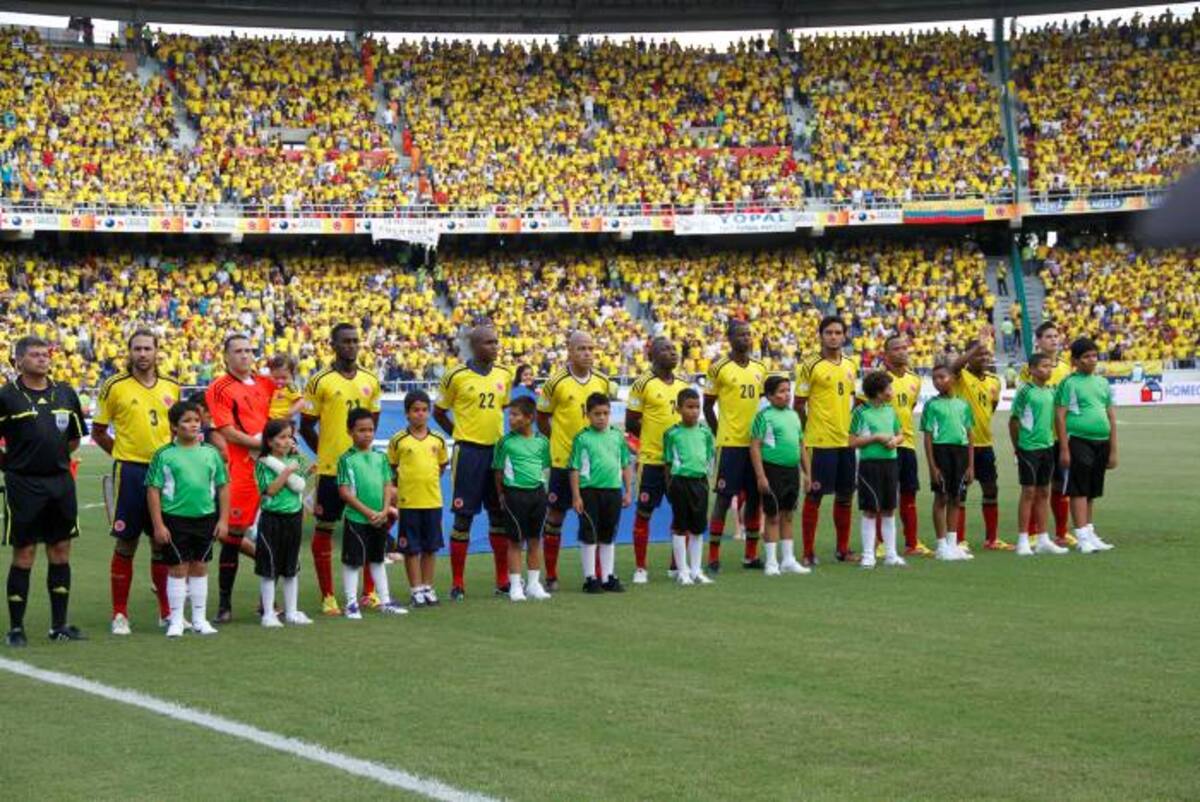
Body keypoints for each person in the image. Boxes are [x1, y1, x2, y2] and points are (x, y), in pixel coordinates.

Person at [91, 329, 181, 635]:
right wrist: (121, 456)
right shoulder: (114, 386)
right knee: (126, 541)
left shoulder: (171, 387)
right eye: (137, 349)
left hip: (166, 473)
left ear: (157, 351)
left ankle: (166, 612)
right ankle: (120, 614)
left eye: (148, 348)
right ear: (129, 352)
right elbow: (99, 431)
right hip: (130, 472)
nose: (142, 354)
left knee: (162, 540)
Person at [1, 336, 86, 647]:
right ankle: (15, 628)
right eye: (34, 355)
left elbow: (74, 439)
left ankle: (59, 626)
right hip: (23, 484)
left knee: (61, 551)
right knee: (24, 553)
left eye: (45, 354)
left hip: (60, 483)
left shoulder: (65, 393)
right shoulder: (7, 397)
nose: (42, 359)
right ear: (19, 361)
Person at [300, 323, 382, 616]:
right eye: (345, 341)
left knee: (371, 527)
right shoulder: (319, 381)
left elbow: (373, 419)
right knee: (324, 529)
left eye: (355, 341)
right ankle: (328, 596)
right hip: (332, 470)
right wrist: (324, 453)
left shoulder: (371, 380)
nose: (351, 346)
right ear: (333, 344)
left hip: (363, 471)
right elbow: (305, 424)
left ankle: (369, 592)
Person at [434, 324, 513, 601]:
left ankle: (502, 580)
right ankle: (458, 583)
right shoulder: (455, 375)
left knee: (499, 515)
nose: (495, 347)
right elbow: (439, 411)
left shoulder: (504, 374)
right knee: (463, 517)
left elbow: (501, 409)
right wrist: (459, 433)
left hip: (497, 454)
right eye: (489, 342)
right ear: (476, 346)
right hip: (468, 454)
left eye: (496, 342)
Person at [206, 334, 276, 622]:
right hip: (241, 471)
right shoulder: (219, 388)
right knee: (233, 537)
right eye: (238, 351)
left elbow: (279, 414)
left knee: (273, 534)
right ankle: (224, 604)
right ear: (226, 356)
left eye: (249, 350)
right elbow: (225, 429)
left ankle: (268, 603)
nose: (245, 356)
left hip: (270, 467)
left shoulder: (265, 383)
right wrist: (260, 445)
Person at [145, 400, 229, 638]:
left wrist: (223, 520)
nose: (194, 425)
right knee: (178, 568)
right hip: (175, 519)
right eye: (187, 421)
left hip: (205, 518)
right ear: (174, 427)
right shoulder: (164, 455)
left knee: (200, 567)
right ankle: (176, 620)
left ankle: (200, 619)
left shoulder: (211, 453)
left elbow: (223, 487)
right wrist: (158, 524)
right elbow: (153, 490)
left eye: (196, 420)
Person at [536, 332, 613, 592]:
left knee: (592, 518)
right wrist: (559, 441)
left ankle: (597, 576)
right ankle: (552, 575)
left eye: (591, 348)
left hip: (593, 465)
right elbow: (542, 418)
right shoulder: (555, 382)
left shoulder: (602, 381)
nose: (587, 353)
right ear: (569, 351)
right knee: (555, 515)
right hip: (563, 461)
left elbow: (604, 418)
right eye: (581, 348)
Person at [703, 320, 767, 572]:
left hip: (754, 445)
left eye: (749, 334)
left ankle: (751, 555)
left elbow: (763, 405)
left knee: (755, 498)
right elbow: (708, 405)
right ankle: (713, 556)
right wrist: (720, 431)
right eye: (740, 335)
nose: (746, 338)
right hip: (730, 444)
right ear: (729, 338)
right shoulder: (718, 368)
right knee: (723, 497)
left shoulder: (760, 368)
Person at [795, 316, 859, 565]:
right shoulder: (809, 366)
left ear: (844, 336)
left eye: (838, 332)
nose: (833, 336)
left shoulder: (851, 365)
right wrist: (806, 433)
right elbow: (798, 405)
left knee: (845, 495)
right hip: (820, 442)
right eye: (829, 332)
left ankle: (842, 550)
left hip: (845, 441)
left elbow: (852, 400)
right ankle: (808, 553)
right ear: (820, 335)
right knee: (815, 495)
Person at [625, 337, 688, 582]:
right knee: (644, 512)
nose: (673, 353)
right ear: (653, 354)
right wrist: (654, 438)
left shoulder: (683, 384)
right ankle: (641, 568)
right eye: (666, 349)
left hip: (680, 462)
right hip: (651, 460)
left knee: (681, 512)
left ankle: (676, 565)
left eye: (674, 349)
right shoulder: (642, 384)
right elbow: (631, 421)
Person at [337, 409, 407, 618]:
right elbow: (344, 492)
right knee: (353, 561)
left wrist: (385, 510)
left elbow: (388, 484)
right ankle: (351, 604)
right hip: (357, 518)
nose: (367, 434)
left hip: (379, 518)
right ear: (350, 431)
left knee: (377, 559)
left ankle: (385, 600)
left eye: (370, 430)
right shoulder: (346, 459)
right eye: (361, 430)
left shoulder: (380, 457)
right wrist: (368, 512)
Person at [1054, 337, 1117, 554]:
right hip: (1078, 440)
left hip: (1101, 441)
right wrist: (1064, 448)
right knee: (1079, 489)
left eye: (1094, 356)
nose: (1092, 360)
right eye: (1086, 357)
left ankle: (1089, 532)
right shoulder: (1069, 383)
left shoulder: (1102, 383)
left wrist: (1114, 448)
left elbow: (1110, 415)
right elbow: (1060, 416)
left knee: (1091, 490)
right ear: (1075, 361)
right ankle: (1081, 536)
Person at [951, 325, 1010, 551]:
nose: (985, 357)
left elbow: (990, 409)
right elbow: (954, 366)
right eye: (980, 354)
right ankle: (959, 539)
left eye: (987, 354)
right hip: (962, 444)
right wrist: (977, 345)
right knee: (961, 492)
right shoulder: (961, 376)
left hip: (985, 444)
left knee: (991, 489)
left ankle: (992, 539)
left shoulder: (995, 381)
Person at [388, 389, 448, 608]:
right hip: (409, 503)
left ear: (429, 412)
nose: (420, 414)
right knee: (411, 548)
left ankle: (428, 587)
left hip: (433, 501)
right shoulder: (399, 440)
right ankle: (415, 590)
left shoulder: (438, 440)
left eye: (424, 410)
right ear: (407, 413)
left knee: (431, 548)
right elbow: (392, 468)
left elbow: (441, 466)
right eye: (415, 410)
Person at [1017, 321, 1075, 547]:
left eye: (1056, 336)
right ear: (1038, 341)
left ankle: (1061, 532)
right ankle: (1031, 533)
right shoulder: (1029, 368)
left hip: (1059, 434)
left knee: (1059, 485)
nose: (1053, 339)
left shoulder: (1064, 367)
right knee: (1033, 487)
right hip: (1035, 438)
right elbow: (1024, 404)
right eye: (1048, 336)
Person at [254, 419, 316, 626]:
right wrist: (287, 471)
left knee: (291, 567)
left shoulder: (295, 459)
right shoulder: (263, 463)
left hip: (294, 518)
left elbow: (300, 482)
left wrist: (305, 469)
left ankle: (292, 611)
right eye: (282, 437)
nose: (287, 441)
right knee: (270, 567)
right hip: (272, 519)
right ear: (270, 441)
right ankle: (268, 614)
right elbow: (270, 490)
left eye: (290, 436)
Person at [569, 393, 633, 594]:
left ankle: (607, 577)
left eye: (605, 413)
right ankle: (590, 578)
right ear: (588, 414)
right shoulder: (582, 438)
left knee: (608, 535)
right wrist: (576, 495)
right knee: (589, 534)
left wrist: (628, 490)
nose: (602, 417)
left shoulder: (617, 436)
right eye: (597, 413)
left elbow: (625, 464)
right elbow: (575, 468)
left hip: (613, 491)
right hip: (590, 492)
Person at [749, 376, 810, 576]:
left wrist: (807, 474)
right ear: (769, 396)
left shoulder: (793, 415)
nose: (786, 395)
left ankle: (788, 560)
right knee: (773, 515)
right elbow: (755, 446)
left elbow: (801, 445)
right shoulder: (763, 417)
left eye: (788, 390)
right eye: (781, 391)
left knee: (788, 515)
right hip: (772, 470)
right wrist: (760, 476)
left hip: (792, 471)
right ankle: (772, 562)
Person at [493, 396, 552, 601]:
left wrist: (544, 493)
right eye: (510, 414)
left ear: (529, 418)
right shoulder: (505, 442)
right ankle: (516, 586)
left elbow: (544, 468)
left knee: (535, 540)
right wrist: (502, 494)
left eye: (515, 414)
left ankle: (534, 584)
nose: (511, 419)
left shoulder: (542, 441)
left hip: (538, 495)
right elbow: (498, 471)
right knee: (515, 542)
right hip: (515, 495)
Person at [1009, 354, 1067, 557]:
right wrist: (1017, 448)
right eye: (1043, 366)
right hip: (1028, 448)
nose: (1048, 370)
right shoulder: (1025, 391)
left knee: (1044, 492)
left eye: (1050, 366)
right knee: (1028, 493)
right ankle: (1023, 540)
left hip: (1048, 446)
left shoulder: (1051, 392)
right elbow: (1014, 421)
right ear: (1032, 369)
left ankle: (1043, 539)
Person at [879, 333, 931, 557]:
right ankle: (880, 543)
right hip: (883, 446)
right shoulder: (878, 380)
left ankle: (912, 542)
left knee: (909, 493)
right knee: (885, 495)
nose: (902, 351)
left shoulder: (914, 380)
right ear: (887, 354)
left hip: (907, 444)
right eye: (896, 348)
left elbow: (908, 411)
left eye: (904, 348)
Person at [849, 371, 905, 569]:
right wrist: (875, 438)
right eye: (889, 388)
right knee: (871, 510)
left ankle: (891, 555)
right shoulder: (860, 413)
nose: (892, 391)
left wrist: (894, 441)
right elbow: (852, 441)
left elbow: (901, 434)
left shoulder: (890, 410)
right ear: (879, 393)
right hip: (869, 466)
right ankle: (868, 556)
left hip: (891, 464)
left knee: (889, 510)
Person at [921, 362, 975, 562]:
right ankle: (941, 545)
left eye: (942, 377)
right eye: (934, 378)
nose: (938, 381)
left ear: (953, 378)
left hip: (960, 454)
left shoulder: (963, 405)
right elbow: (927, 437)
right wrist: (932, 466)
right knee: (941, 498)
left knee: (956, 499)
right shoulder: (931, 405)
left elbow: (970, 435)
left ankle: (953, 544)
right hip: (941, 451)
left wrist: (971, 465)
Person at [663, 388, 716, 586]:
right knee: (680, 527)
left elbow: (710, 457)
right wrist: (669, 485)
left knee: (698, 528)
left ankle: (696, 570)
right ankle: (682, 571)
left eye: (697, 407)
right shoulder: (672, 433)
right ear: (679, 409)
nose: (694, 411)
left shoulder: (705, 432)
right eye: (689, 407)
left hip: (700, 482)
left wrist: (706, 478)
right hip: (680, 482)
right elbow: (668, 462)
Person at [267, 355, 305, 424]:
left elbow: (301, 402)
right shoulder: (271, 386)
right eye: (276, 378)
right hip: (270, 419)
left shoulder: (290, 386)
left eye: (284, 378)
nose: (280, 381)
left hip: (283, 421)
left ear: (292, 375)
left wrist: (289, 414)